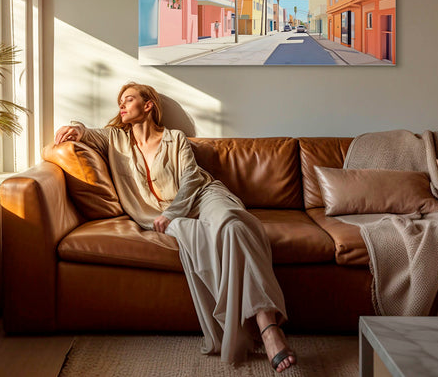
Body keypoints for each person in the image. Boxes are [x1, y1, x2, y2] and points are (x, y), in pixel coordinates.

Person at [54, 82, 297, 373]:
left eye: (128, 99)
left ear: (148, 106)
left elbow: (192, 179)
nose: (121, 105)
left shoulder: (175, 137)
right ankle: (265, 327)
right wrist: (76, 128)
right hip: (163, 217)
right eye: (120, 101)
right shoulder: (115, 139)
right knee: (201, 235)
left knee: (233, 225)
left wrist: (172, 212)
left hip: (203, 196)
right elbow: (88, 133)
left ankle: (268, 325)